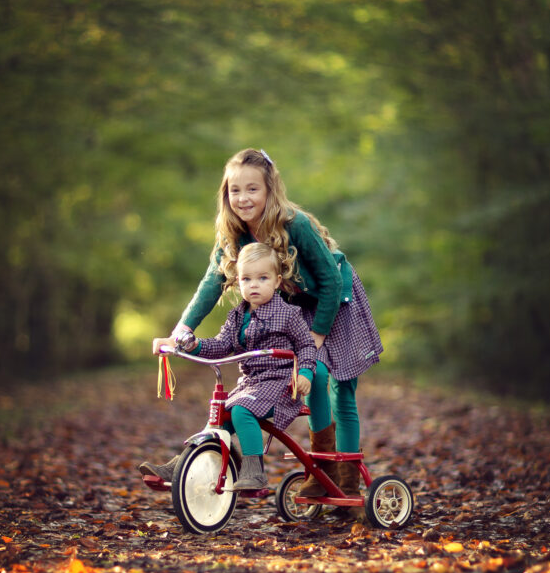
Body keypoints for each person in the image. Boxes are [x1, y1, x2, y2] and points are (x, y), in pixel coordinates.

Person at [142, 148, 383, 505]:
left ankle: (346, 478)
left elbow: (330, 282)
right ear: (226, 194)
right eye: (235, 190)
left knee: (340, 386)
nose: (243, 198)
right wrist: (181, 332)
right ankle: (322, 474)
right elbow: (211, 283)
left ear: (270, 189)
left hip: (336, 297)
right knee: (313, 375)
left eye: (252, 189)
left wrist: (315, 338)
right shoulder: (233, 234)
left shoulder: (294, 224)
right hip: (296, 303)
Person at [163, 242, 318, 490]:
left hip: (279, 384)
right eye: (246, 279)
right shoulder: (237, 316)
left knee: (241, 410)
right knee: (219, 420)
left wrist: (306, 373)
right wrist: (193, 345)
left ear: (277, 281)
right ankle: (182, 464)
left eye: (262, 278)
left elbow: (307, 346)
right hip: (250, 384)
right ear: (238, 282)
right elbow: (222, 345)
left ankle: (254, 470)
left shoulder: (288, 314)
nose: (253, 284)